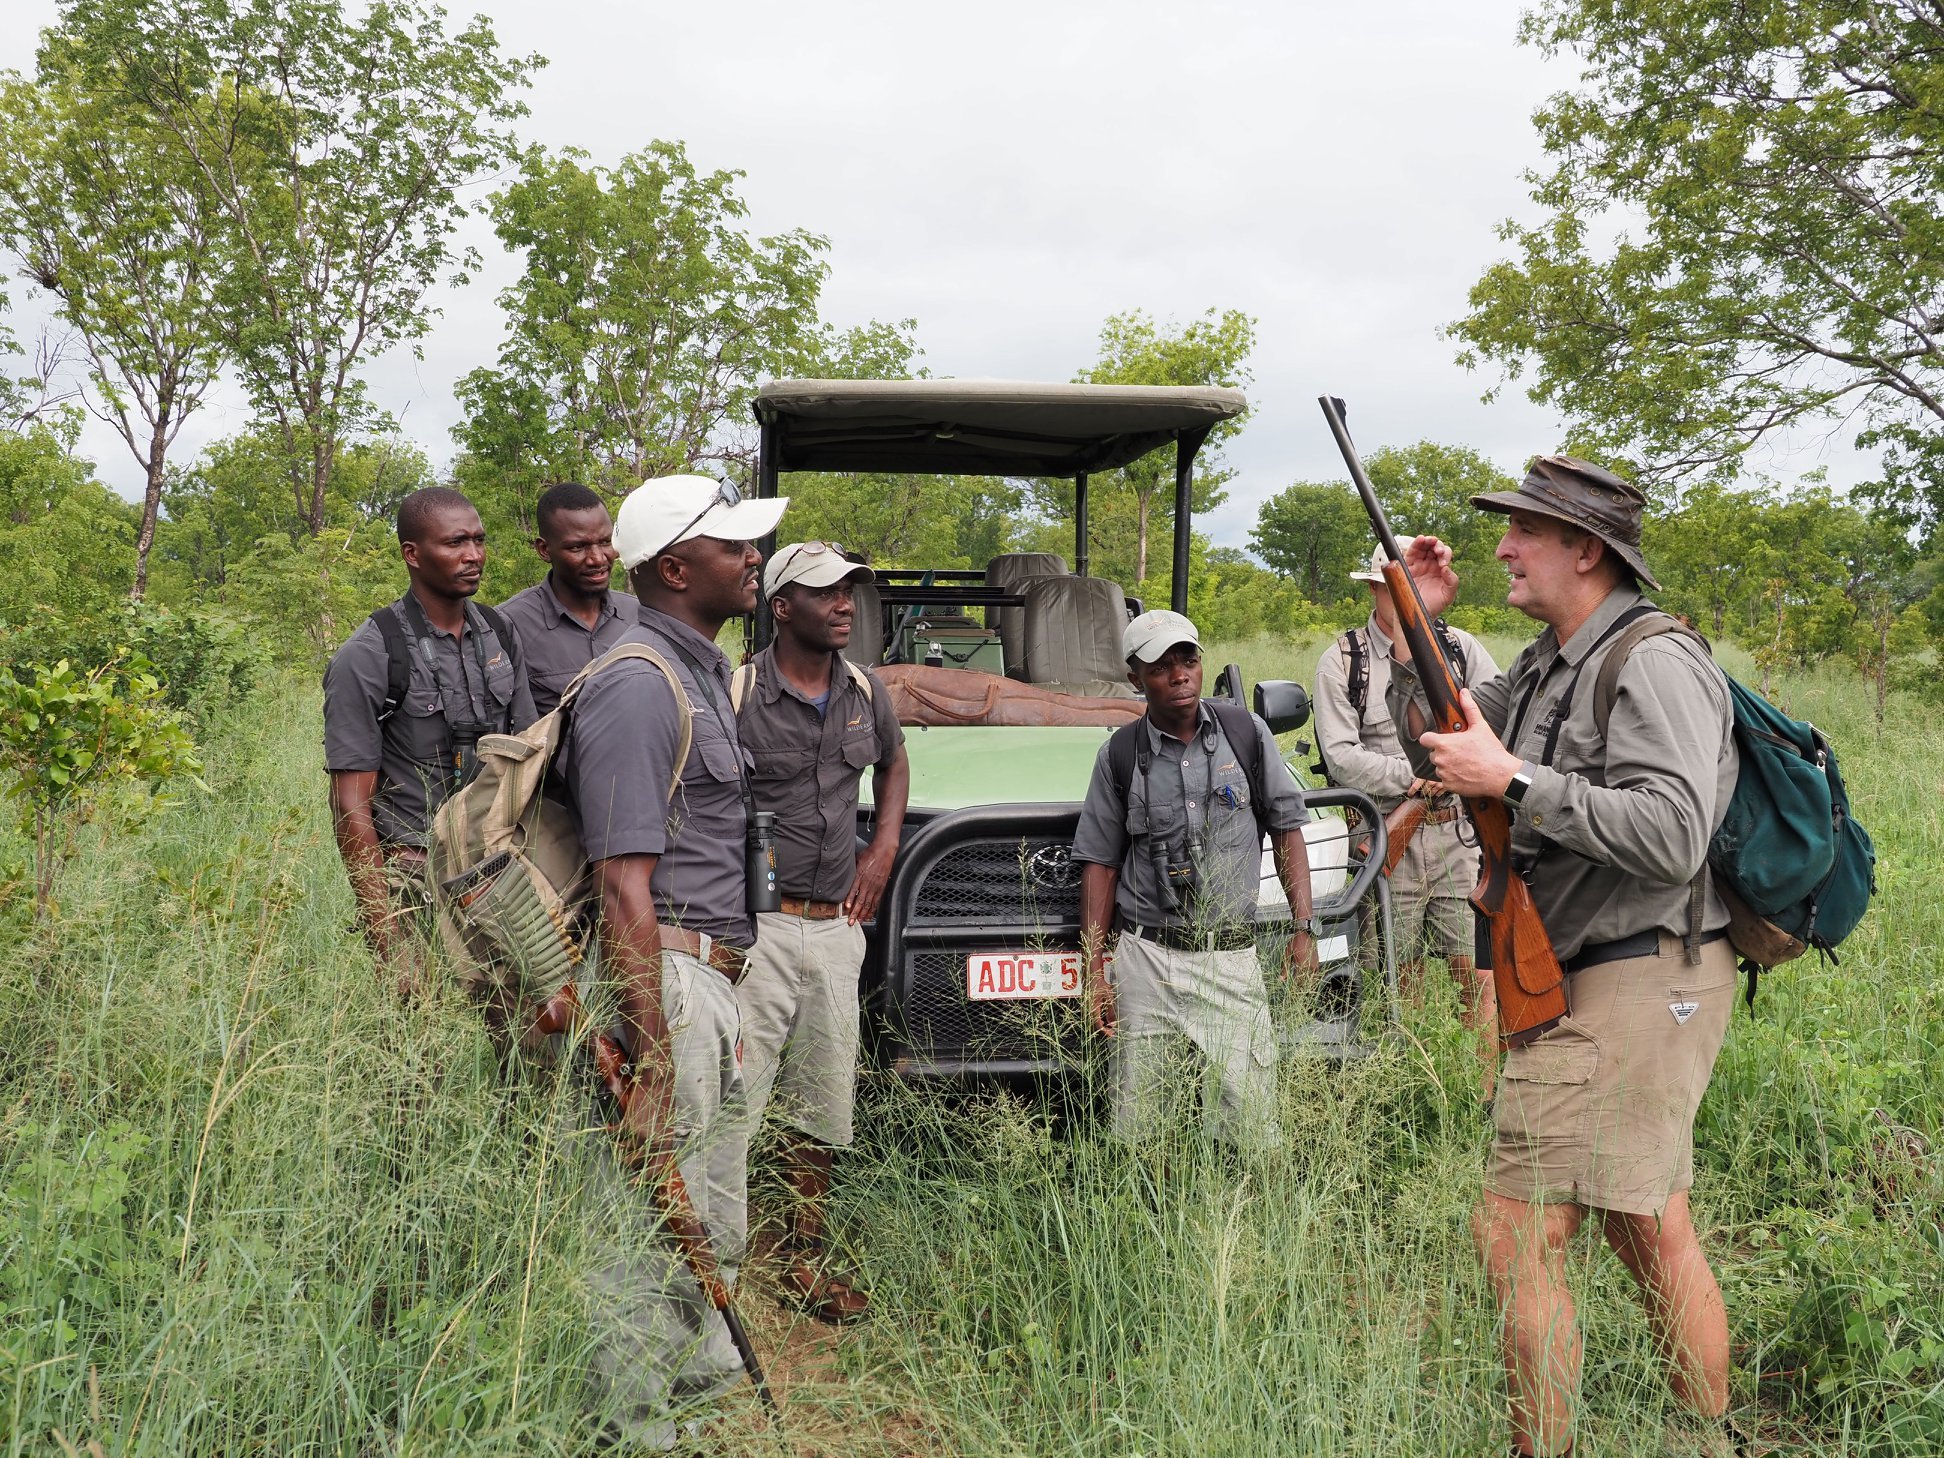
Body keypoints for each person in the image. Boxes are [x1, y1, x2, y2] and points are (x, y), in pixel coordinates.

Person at [1387, 457, 1740, 1458]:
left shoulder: (1654, 660)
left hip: (1640, 967)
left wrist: (1518, 780)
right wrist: (1419, 623)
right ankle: (1703, 1437)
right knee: (1645, 1223)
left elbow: (1674, 833)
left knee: (1515, 1229)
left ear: (1585, 550)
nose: (1500, 546)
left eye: (1523, 532)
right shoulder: (1550, 658)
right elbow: (1440, 743)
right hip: (1593, 968)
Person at [552, 472, 786, 1451]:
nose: (755, 556)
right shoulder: (638, 686)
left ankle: (681, 1413)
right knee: (645, 1238)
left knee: (703, 1223)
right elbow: (622, 891)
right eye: (735, 545)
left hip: (710, 987)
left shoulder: (696, 673)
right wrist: (649, 1060)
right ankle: (631, 1432)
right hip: (669, 993)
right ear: (678, 567)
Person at [731, 541, 909, 1323]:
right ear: (780, 607)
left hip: (837, 930)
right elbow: (716, 804)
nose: (843, 605)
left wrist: (882, 852)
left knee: (821, 1107)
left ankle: (803, 1260)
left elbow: (894, 767)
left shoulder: (865, 690)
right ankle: (721, 1267)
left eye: (848, 592)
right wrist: (756, 893)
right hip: (758, 930)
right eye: (824, 593)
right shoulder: (736, 691)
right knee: (734, 1100)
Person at [1072, 609, 1318, 1152]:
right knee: (1141, 1127)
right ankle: (1152, 1228)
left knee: (1254, 1123)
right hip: (1147, 960)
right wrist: (1095, 969)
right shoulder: (1119, 755)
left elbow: (1287, 829)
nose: (1179, 675)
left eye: (1188, 660)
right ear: (1135, 677)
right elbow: (1100, 863)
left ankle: (1247, 1224)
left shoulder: (1245, 735)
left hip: (1230, 955)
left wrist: (1305, 931)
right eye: (1161, 666)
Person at [323, 486, 535, 987]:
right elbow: (351, 805)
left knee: (525, 1030)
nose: (473, 555)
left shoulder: (500, 633)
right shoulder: (371, 653)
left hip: (502, 867)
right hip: (416, 874)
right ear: (412, 554)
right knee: (427, 1030)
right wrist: (388, 938)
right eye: (455, 542)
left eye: (479, 541)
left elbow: (530, 755)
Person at [1313, 543, 1500, 1090]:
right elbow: (1342, 755)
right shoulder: (1343, 660)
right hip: (1387, 836)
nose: (1407, 599)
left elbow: (1497, 725)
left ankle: (1483, 1095)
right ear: (1375, 589)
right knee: (1402, 977)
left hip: (1462, 837)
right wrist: (1413, 777)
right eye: (1396, 588)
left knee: (1479, 975)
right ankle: (1414, 1088)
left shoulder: (1463, 651)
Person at [497, 481, 640, 716]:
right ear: (544, 550)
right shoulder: (509, 626)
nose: (597, 558)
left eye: (605, 542)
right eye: (577, 547)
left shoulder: (639, 615)